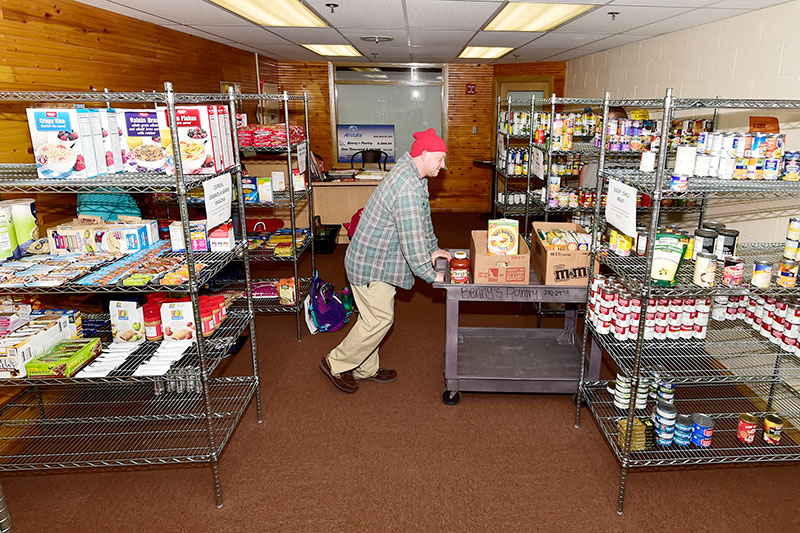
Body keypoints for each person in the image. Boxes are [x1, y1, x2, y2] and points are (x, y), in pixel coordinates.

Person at [320, 128, 451, 393]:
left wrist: (434, 248)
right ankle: (334, 363)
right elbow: (411, 239)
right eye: (440, 159)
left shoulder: (415, 176)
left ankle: (365, 368)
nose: (443, 166)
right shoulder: (406, 187)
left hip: (380, 259)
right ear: (424, 155)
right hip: (372, 265)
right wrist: (429, 273)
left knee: (373, 317)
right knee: (379, 319)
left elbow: (423, 221)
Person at [579, 106, 628, 189]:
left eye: (610, 121)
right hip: (589, 190)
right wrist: (580, 189)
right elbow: (586, 166)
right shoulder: (596, 140)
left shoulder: (626, 144)